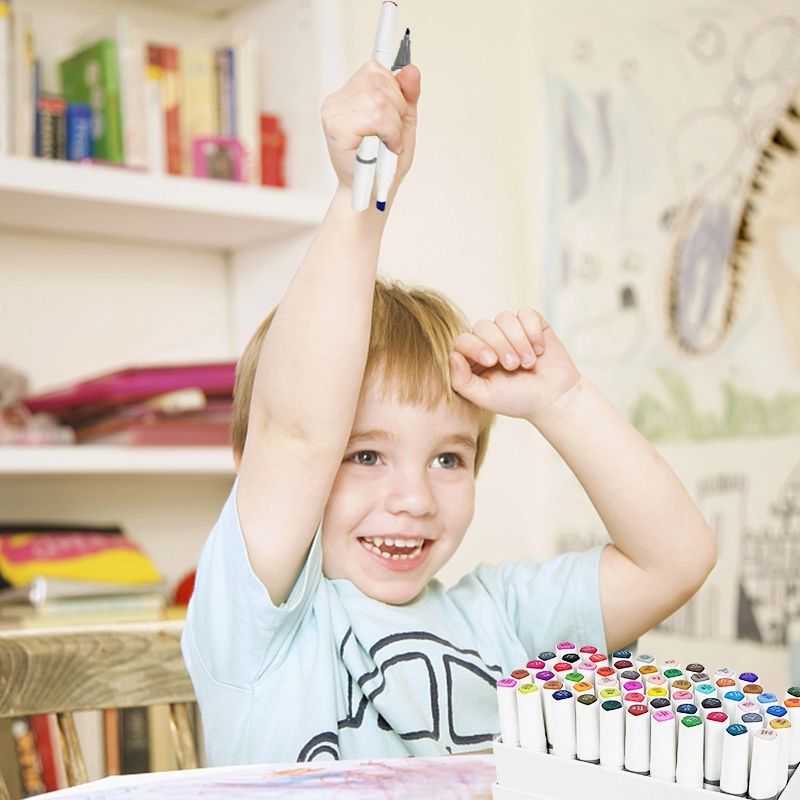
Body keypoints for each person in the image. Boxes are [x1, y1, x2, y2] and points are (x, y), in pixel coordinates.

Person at [182, 59, 716, 766]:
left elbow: (674, 561)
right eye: (366, 454)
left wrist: (563, 401)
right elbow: (298, 430)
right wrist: (360, 199)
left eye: (448, 458)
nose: (414, 499)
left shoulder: (500, 619)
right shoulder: (257, 621)